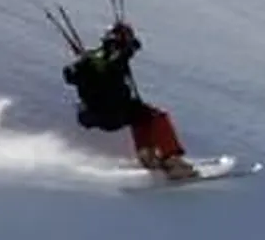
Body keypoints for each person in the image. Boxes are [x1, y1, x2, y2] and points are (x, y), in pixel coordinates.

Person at [62, 19, 197, 179]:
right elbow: (112, 65)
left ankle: (147, 156)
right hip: (110, 112)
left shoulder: (95, 56)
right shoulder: (107, 57)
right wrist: (125, 51)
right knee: (157, 117)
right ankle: (173, 161)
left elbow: (76, 73)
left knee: (141, 116)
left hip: (100, 113)